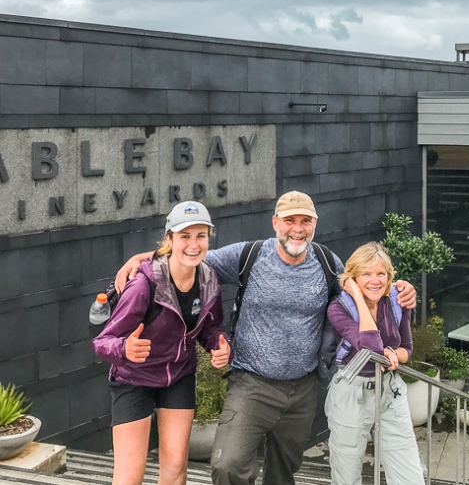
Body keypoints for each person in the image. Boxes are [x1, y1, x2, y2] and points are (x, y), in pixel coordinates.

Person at [115, 191, 417, 485]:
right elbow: (192, 257)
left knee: (283, 474)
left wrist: (401, 290)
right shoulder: (250, 255)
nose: (297, 229)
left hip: (303, 389)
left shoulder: (327, 262)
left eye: (305, 221)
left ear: (314, 224)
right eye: (289, 220)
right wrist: (142, 259)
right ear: (275, 222)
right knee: (227, 466)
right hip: (251, 384)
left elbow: (365, 286)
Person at [93, 201, 231, 485]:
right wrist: (124, 349)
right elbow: (102, 341)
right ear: (169, 240)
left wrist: (219, 343)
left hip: (178, 374)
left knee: (176, 467)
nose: (193, 245)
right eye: (184, 236)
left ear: (208, 239)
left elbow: (211, 326)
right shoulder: (143, 286)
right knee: (130, 476)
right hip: (135, 378)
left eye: (200, 236)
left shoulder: (208, 279)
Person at [325, 242, 424, 485]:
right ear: (353, 278)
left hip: (390, 390)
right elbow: (369, 347)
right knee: (346, 472)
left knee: (408, 472)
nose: (375, 280)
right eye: (366, 274)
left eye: (381, 273)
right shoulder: (338, 308)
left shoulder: (395, 301)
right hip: (351, 391)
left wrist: (393, 354)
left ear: (389, 276)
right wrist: (358, 297)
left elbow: (406, 349)